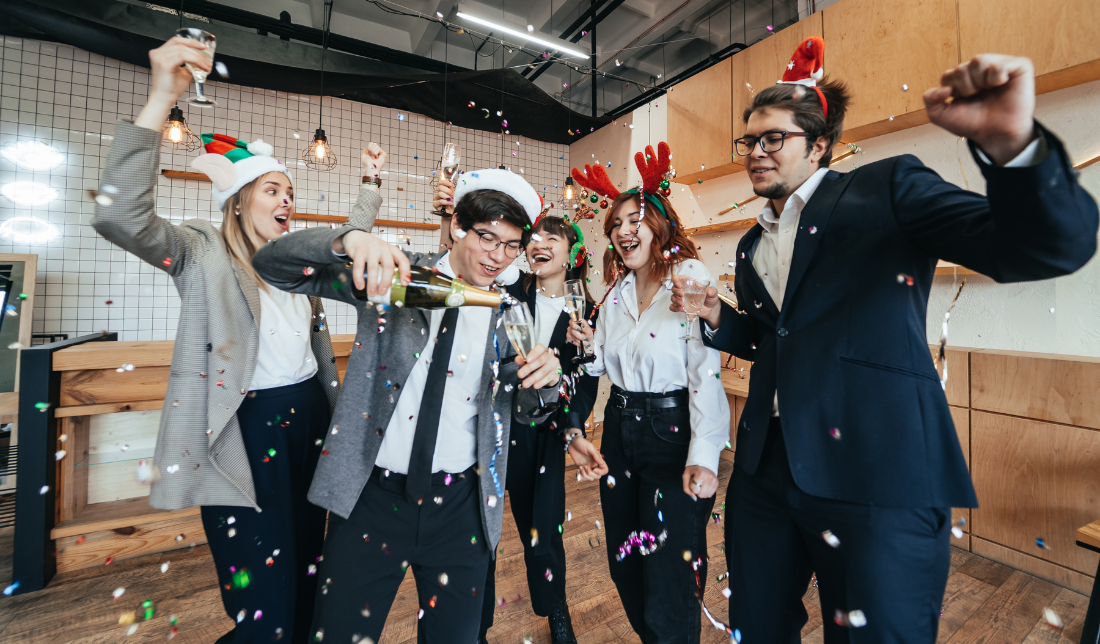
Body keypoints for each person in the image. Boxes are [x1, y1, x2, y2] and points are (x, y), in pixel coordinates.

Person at [671, 37, 1099, 641]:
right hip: (765, 471)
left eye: (774, 138)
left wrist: (1012, 146)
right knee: (758, 629)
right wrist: (720, 317)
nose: (756, 153)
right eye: (749, 141)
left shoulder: (885, 189)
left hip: (877, 469)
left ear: (819, 144)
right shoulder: (750, 245)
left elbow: (1045, 245)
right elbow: (776, 342)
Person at [90, 36, 384, 643]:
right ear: (239, 199)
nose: (287, 200)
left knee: (308, 570)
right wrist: (161, 95)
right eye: (273, 189)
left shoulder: (293, 263)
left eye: (290, 192)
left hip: (308, 418)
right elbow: (119, 216)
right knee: (261, 593)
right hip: (243, 429)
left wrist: (369, 187)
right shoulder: (200, 251)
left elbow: (350, 247)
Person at [251, 168, 564, 644]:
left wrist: (545, 384)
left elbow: (527, 408)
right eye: (486, 238)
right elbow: (274, 265)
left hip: (463, 509)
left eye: (510, 246)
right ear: (457, 223)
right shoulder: (396, 278)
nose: (497, 257)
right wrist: (349, 240)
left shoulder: (508, 311)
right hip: (372, 500)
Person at [568, 152, 730, 644]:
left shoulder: (690, 278)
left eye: (634, 220)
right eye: (615, 224)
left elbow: (705, 374)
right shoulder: (613, 292)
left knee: (669, 575)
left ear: (658, 225)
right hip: (619, 431)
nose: (622, 231)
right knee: (626, 565)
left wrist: (704, 457)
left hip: (671, 433)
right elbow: (603, 366)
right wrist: (584, 347)